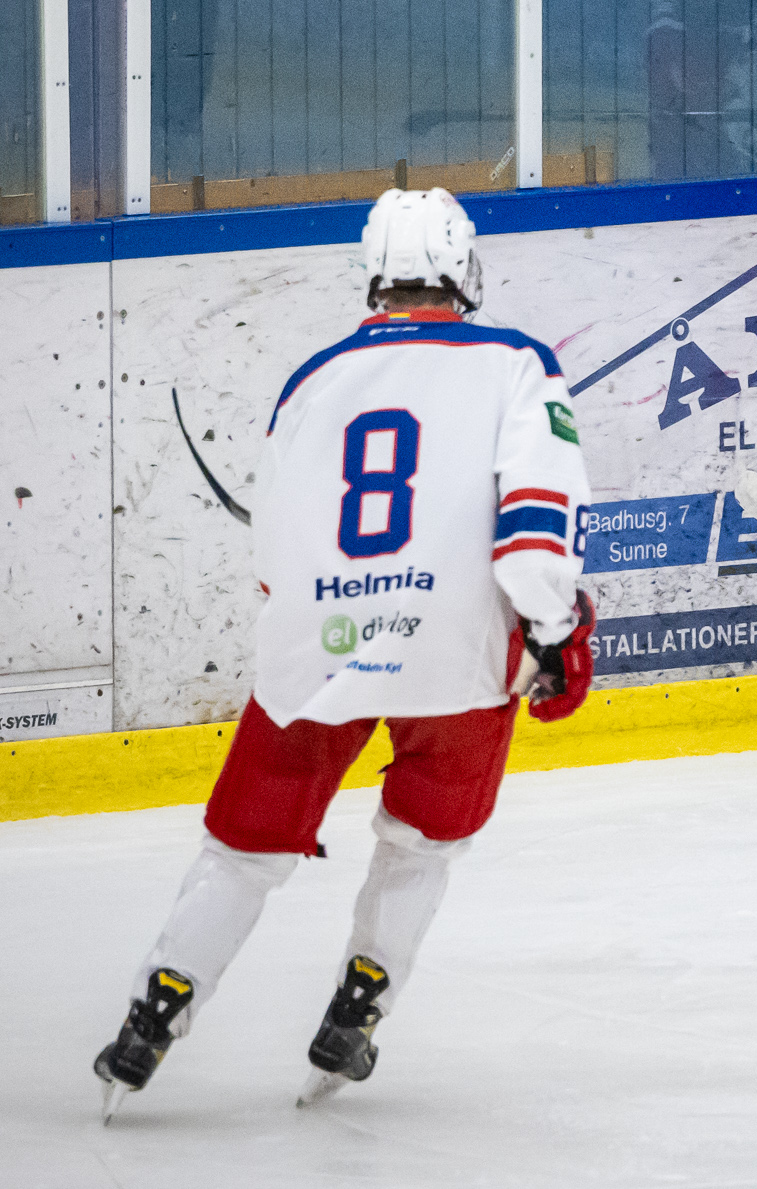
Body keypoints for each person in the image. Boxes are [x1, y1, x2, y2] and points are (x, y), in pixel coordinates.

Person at [94, 188, 598, 1117]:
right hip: (455, 654)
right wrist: (554, 627)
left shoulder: (310, 380)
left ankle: (153, 1011)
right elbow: (536, 528)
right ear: (464, 268)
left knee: (243, 850)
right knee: (421, 843)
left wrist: (312, 632)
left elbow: (273, 552)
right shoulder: (518, 363)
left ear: (374, 275)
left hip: (318, 648)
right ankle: (357, 1008)